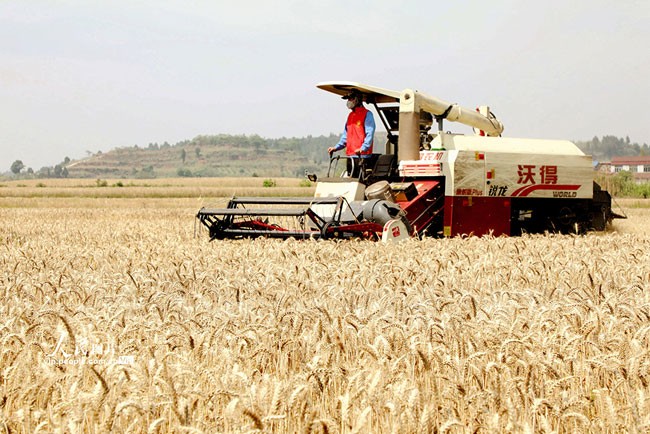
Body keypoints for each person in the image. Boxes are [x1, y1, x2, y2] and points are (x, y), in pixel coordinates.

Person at [327, 90, 376, 178]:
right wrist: (336, 147)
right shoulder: (350, 116)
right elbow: (345, 136)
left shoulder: (367, 114)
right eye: (348, 99)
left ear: (357, 100)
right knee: (350, 180)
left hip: (362, 156)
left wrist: (363, 148)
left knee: (361, 182)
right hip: (350, 155)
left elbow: (370, 133)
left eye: (351, 99)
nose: (348, 101)